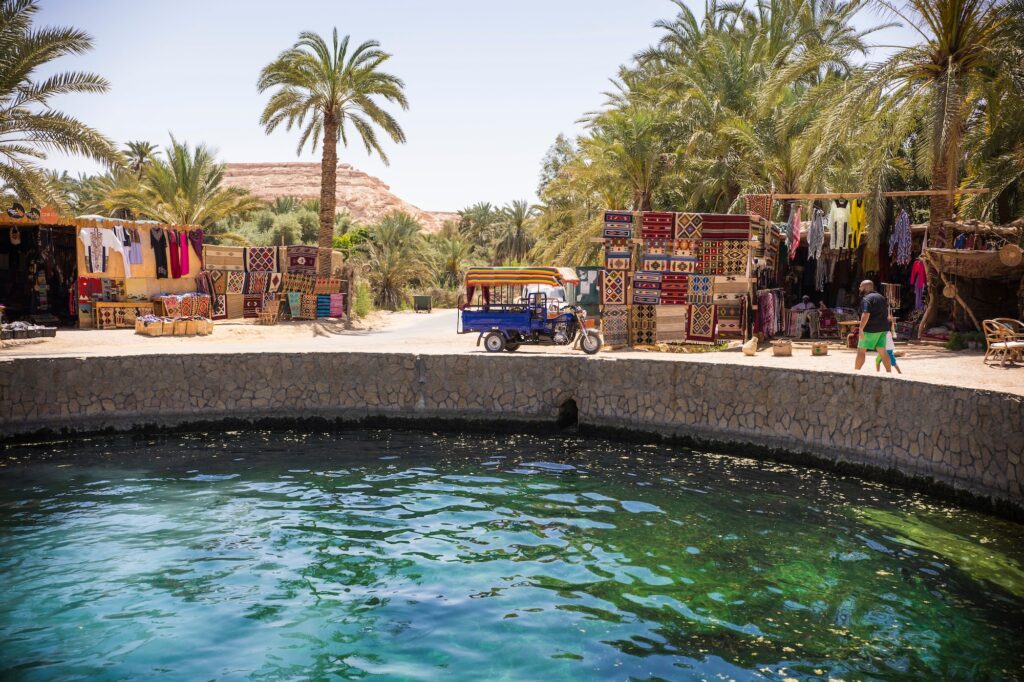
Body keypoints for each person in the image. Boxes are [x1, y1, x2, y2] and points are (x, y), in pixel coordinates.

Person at [855, 280, 892, 372]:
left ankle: (856, 371)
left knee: (861, 351)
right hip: (883, 328)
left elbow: (866, 314)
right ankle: (889, 372)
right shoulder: (881, 297)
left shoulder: (866, 299)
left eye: (860, 286)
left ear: (866, 287)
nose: (859, 289)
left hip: (870, 329)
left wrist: (861, 329)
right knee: (883, 352)